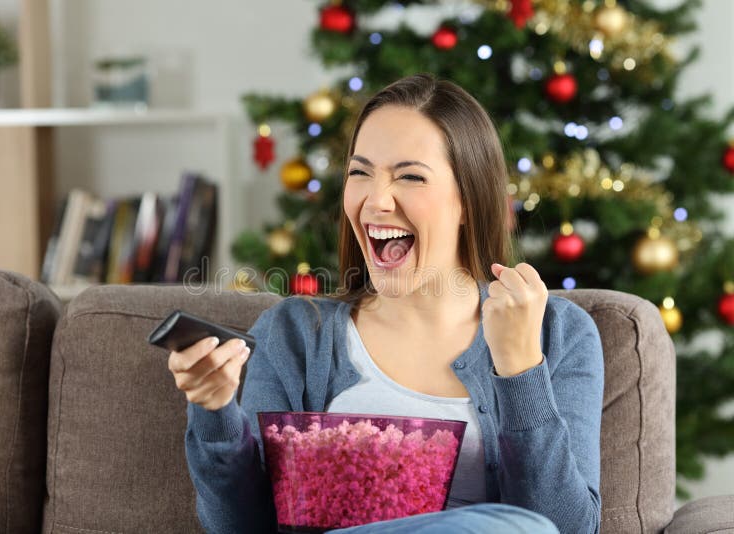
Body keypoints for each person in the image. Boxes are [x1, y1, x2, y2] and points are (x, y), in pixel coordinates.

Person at [168, 73, 604, 534]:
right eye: (360, 173)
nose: (375, 201)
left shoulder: (558, 333)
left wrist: (519, 370)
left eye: (410, 176)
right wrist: (215, 413)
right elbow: (241, 528)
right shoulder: (296, 334)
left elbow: (565, 528)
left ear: (470, 202)